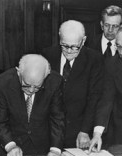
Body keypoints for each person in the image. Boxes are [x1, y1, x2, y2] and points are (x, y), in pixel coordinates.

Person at [0, 54, 65, 156]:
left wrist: (55, 150)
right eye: (26, 85)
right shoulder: (3, 83)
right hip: (12, 146)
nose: (31, 90)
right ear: (18, 72)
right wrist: (10, 145)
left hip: (43, 147)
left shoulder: (55, 82)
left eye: (37, 87)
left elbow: (57, 118)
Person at [41, 20, 104, 148]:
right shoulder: (47, 55)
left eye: (75, 47)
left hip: (78, 130)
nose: (69, 51)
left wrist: (85, 130)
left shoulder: (94, 59)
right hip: (49, 130)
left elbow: (94, 98)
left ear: (83, 40)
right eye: (64, 45)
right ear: (59, 37)